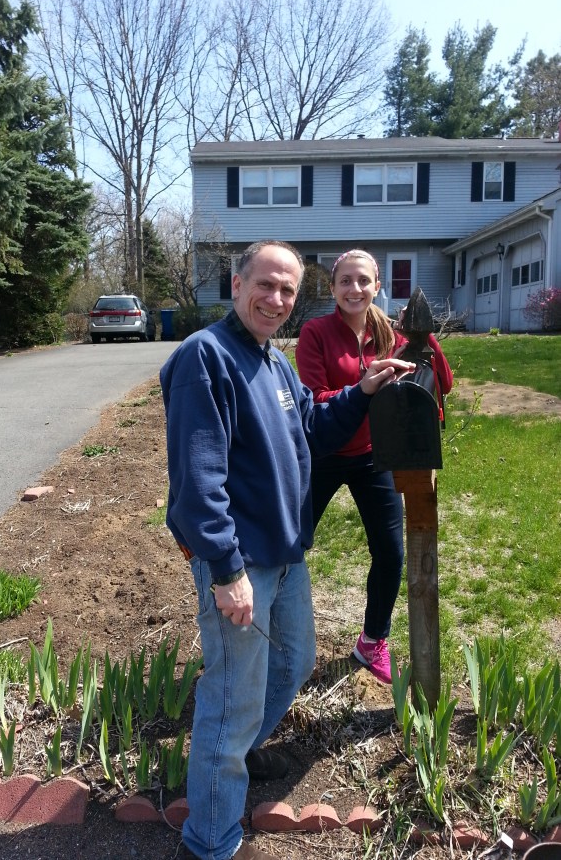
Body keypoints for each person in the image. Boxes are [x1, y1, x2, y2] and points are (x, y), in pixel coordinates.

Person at [160, 240, 415, 860]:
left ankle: (238, 749)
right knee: (230, 700)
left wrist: (365, 390)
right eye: (265, 285)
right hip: (242, 563)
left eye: (288, 291)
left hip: (286, 554)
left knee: (297, 661)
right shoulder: (207, 358)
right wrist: (225, 570)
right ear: (237, 282)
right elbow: (199, 480)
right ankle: (212, 841)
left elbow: (314, 427)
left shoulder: (271, 362)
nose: (276, 299)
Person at [295, 249, 453, 685]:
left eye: (364, 280)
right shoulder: (316, 333)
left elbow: (443, 381)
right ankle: (275, 631)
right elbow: (313, 400)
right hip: (323, 454)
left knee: (390, 552)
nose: (355, 289)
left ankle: (372, 641)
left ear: (377, 286)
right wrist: (361, 389)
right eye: (345, 280)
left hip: (373, 455)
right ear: (332, 288)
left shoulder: (389, 333)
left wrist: (423, 338)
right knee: (291, 542)